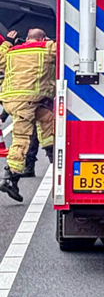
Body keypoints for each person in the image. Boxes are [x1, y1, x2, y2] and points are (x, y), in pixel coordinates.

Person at [0, 29, 57, 203]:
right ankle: (9, 178)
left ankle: (54, 158)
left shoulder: (11, 52)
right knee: (21, 138)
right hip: (29, 101)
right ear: (43, 38)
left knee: (47, 121)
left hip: (14, 100)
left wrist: (7, 42)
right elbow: (64, 50)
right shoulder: (47, 49)